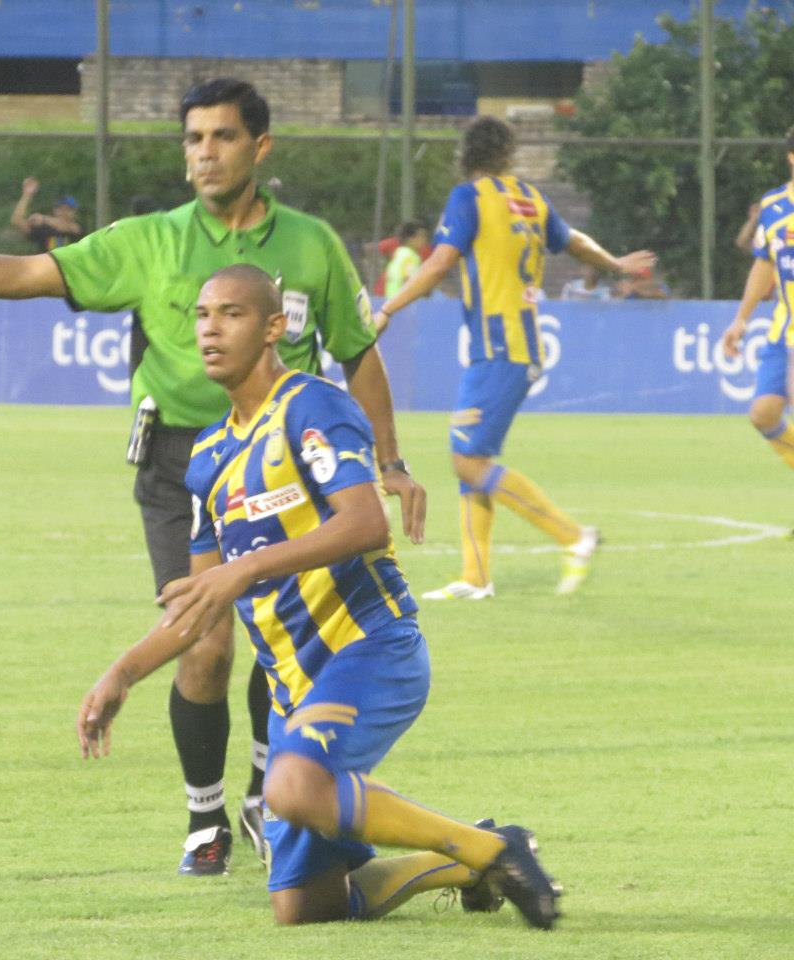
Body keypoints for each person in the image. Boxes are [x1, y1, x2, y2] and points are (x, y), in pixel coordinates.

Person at [0, 78, 424, 878]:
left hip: (285, 455)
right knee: (206, 642)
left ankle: (264, 795)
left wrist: (390, 463)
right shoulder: (151, 239)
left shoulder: (311, 243)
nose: (205, 153)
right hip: (185, 463)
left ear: (260, 146)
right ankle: (205, 816)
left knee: (287, 635)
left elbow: (357, 351)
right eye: (193, 138)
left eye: (222, 136)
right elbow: (34, 273)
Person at [77, 264, 560, 929]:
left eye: (232, 314)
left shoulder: (312, 406)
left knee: (292, 786)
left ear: (274, 327)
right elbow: (200, 603)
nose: (211, 329)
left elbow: (364, 523)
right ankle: (466, 857)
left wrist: (246, 569)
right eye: (202, 315)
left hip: (369, 648)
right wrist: (123, 672)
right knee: (304, 906)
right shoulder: (209, 458)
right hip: (294, 690)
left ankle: (492, 852)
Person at [375, 115, 655, 600]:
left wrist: (388, 308)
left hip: (499, 347)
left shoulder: (470, 197)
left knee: (467, 461)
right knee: (471, 457)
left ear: (467, 154)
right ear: (507, 153)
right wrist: (614, 264)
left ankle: (574, 537)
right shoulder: (530, 198)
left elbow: (440, 262)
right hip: (513, 344)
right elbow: (574, 241)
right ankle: (475, 577)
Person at [720, 126, 794, 482]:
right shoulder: (773, 206)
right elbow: (764, 264)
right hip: (784, 329)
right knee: (764, 414)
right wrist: (741, 319)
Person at [11, 177, 84, 251]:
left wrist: (43, 219)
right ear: (54, 210)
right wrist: (26, 195)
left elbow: (67, 226)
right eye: (60, 208)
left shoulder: (77, 227)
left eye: (68, 209)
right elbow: (17, 221)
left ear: (75, 212)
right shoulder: (44, 228)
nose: (63, 212)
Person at [384, 221, 428, 297]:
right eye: (421, 236)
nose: (425, 240)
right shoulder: (410, 256)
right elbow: (409, 280)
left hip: (392, 297)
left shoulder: (399, 252)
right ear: (410, 239)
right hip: (403, 299)